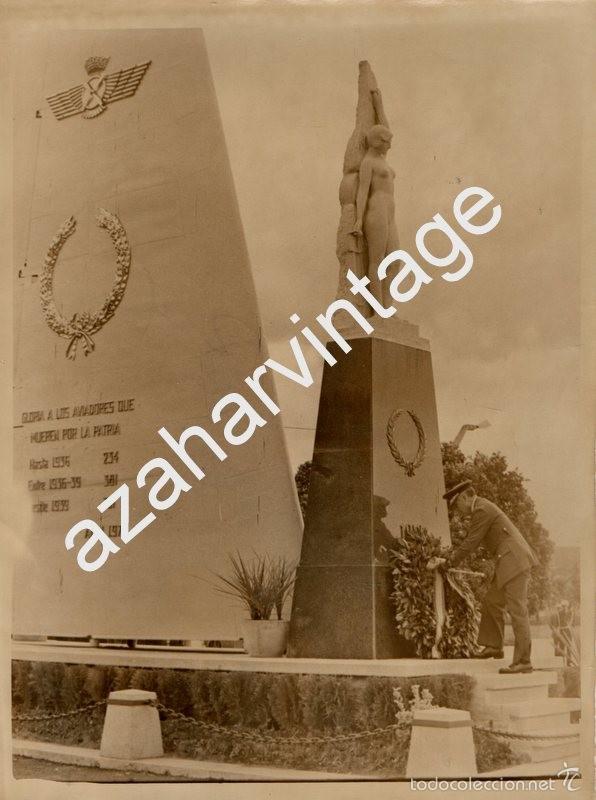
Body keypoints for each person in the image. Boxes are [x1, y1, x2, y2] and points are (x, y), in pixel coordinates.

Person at [429, 480, 538, 674]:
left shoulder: (482, 509)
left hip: (514, 561)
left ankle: (523, 661)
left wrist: (449, 562)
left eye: (456, 506)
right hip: (508, 561)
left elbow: (471, 542)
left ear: (464, 498)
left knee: (517, 610)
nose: (457, 512)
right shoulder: (482, 507)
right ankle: (494, 646)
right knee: (491, 601)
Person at [351, 116, 399, 306]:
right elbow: (362, 191)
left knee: (395, 261)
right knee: (376, 260)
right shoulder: (368, 162)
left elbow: (384, 125)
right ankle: (378, 309)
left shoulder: (382, 160)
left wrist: (377, 102)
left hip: (390, 214)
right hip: (376, 210)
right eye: (387, 142)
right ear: (379, 141)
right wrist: (358, 221)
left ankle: (388, 307)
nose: (389, 146)